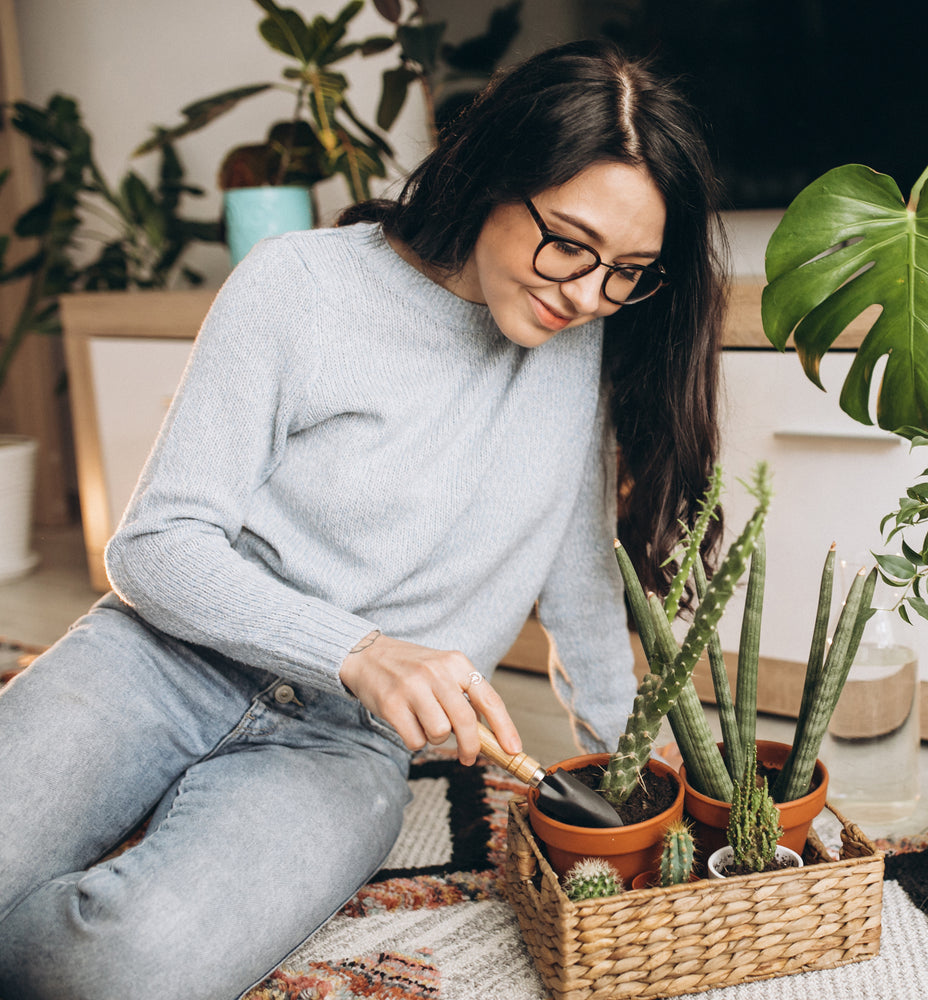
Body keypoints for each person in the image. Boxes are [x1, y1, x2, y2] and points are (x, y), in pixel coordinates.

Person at [0, 39, 727, 999]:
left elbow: (584, 579)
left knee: (108, 971)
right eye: (571, 244)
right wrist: (363, 648)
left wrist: (638, 765)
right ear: (494, 178)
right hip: (159, 658)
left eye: (628, 270)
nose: (589, 295)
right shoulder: (300, 285)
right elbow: (154, 546)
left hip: (343, 744)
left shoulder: (581, 340)